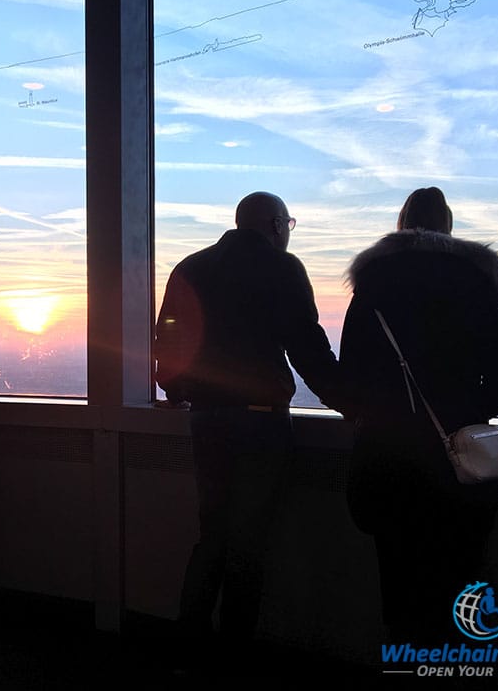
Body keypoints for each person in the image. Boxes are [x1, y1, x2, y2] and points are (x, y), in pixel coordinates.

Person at [154, 192, 342, 665]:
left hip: (206, 418)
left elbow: (168, 340)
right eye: (289, 224)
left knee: (212, 535)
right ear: (275, 225)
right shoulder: (283, 268)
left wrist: (178, 390)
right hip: (260, 420)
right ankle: (236, 655)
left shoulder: (190, 268)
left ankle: (189, 644)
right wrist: (348, 401)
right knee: (248, 544)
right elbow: (307, 345)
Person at [339, 187, 498, 643]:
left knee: (399, 585)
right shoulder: (478, 283)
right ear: (448, 225)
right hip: (456, 464)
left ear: (400, 225)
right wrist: (464, 413)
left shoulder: (373, 285)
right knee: (460, 585)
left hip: (385, 461)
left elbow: (351, 376)